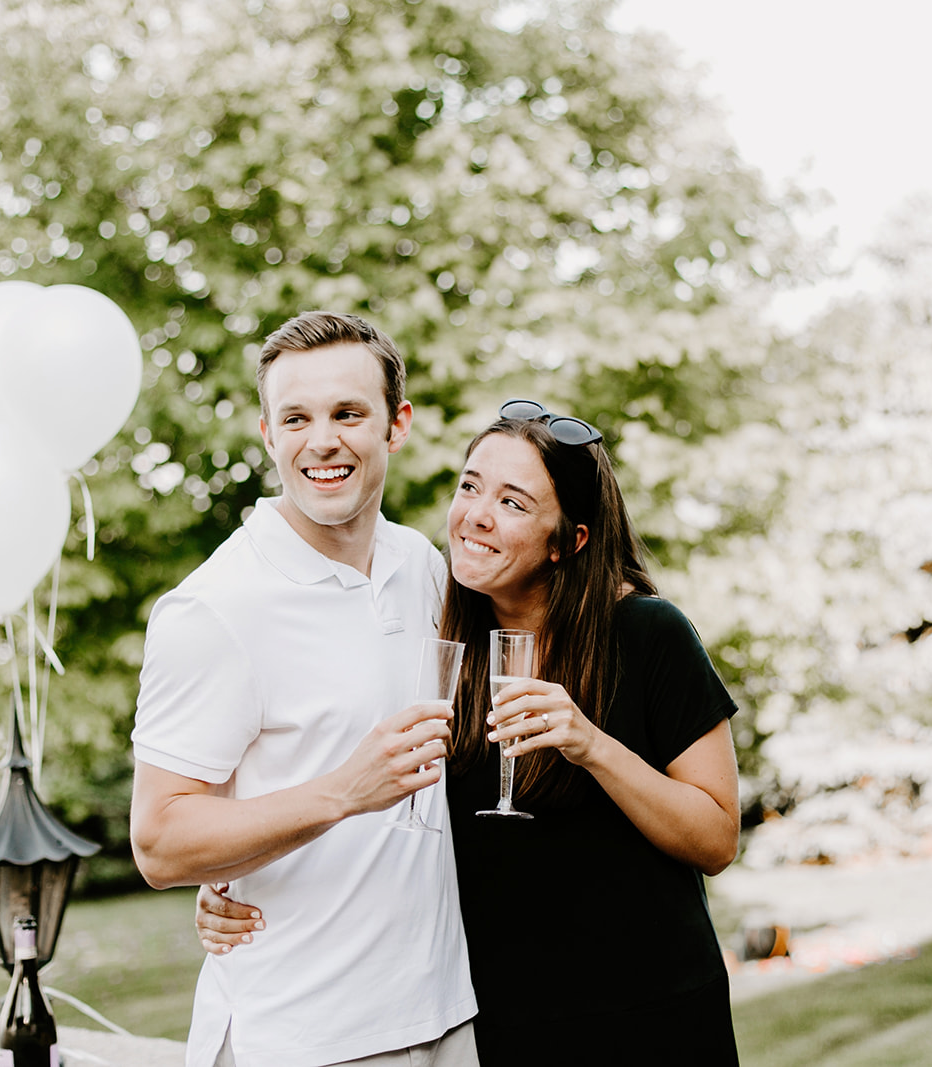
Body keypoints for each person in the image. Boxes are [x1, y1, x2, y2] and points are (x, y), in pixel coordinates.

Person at [199, 399, 742, 1065]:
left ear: (568, 539)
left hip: (651, 1014)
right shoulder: (442, 634)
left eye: (514, 502)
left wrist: (590, 744)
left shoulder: (649, 633)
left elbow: (715, 837)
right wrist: (233, 882)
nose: (476, 514)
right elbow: (378, 802)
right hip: (504, 1023)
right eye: (470, 486)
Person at [129, 311, 477, 1067]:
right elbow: (159, 839)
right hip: (304, 1036)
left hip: (445, 1015)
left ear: (397, 424)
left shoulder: (419, 564)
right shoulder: (216, 606)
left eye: (348, 413)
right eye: (297, 417)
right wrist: (343, 791)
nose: (323, 439)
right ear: (268, 434)